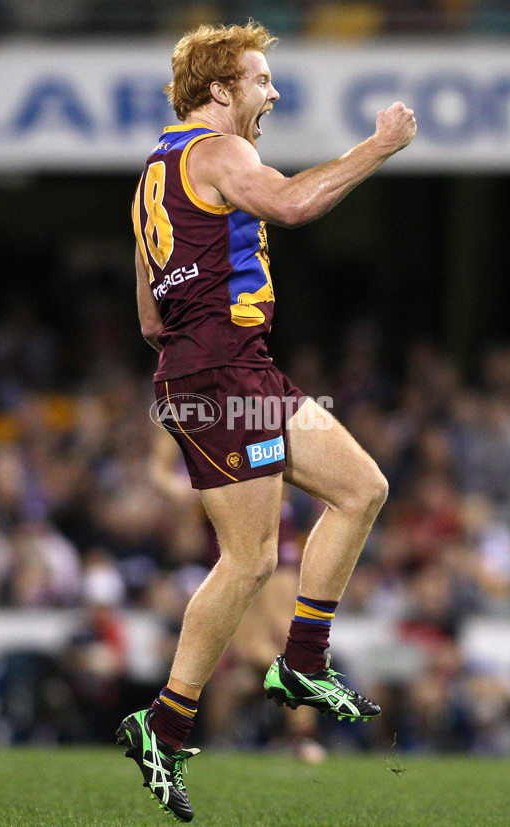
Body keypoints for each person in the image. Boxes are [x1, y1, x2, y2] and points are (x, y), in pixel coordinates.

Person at [115, 21, 416, 823]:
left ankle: (300, 662)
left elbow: (149, 314)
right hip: (223, 373)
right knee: (248, 563)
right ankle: (166, 720)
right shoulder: (218, 153)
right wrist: (378, 147)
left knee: (360, 487)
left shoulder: (154, 171)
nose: (271, 92)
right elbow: (291, 202)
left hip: (222, 369)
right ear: (220, 91)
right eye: (259, 80)